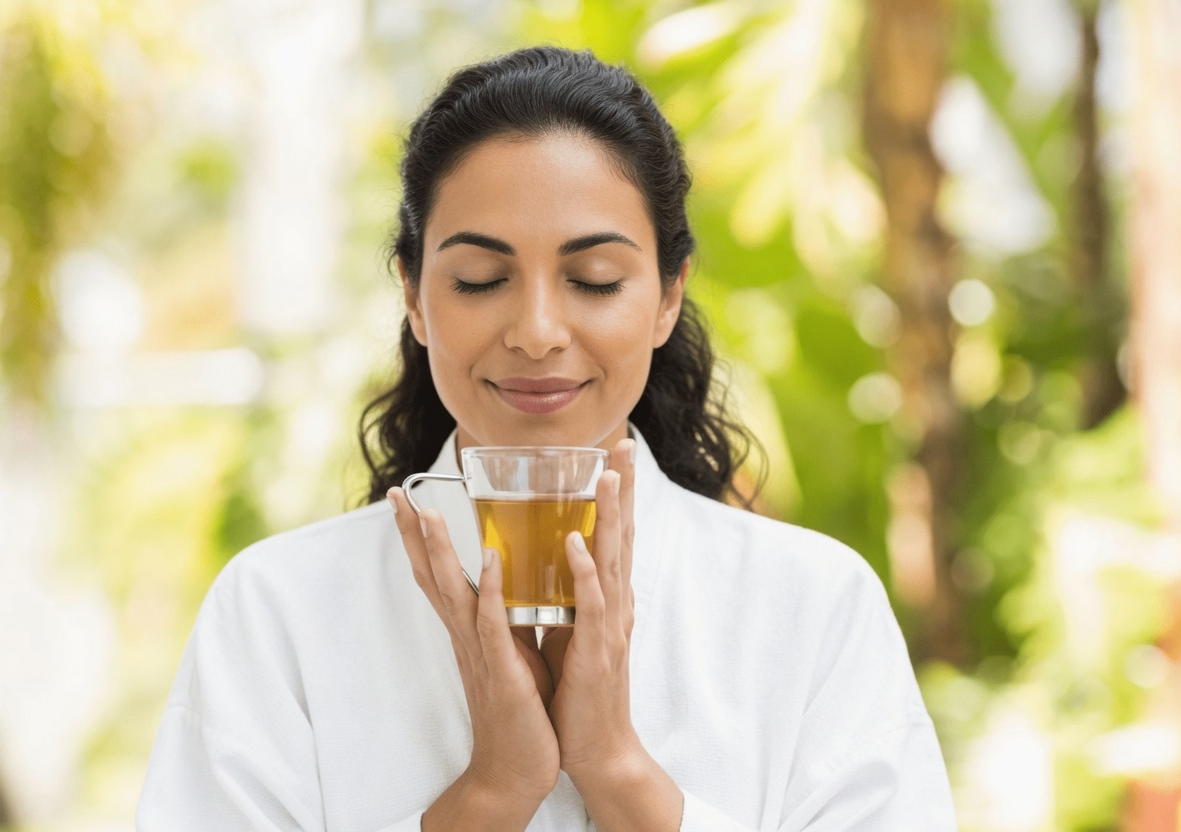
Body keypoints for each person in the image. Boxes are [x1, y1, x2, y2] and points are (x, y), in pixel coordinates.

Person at [137, 46, 958, 831]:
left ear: (669, 296)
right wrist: (494, 792)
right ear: (415, 298)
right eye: (480, 280)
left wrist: (618, 771)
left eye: (594, 280)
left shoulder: (810, 610)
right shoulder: (279, 611)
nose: (535, 331)